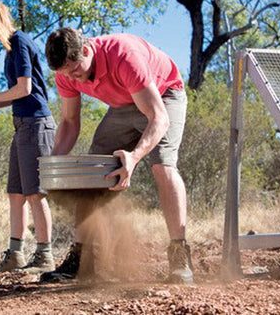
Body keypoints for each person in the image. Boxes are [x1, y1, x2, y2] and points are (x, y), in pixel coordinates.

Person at [40, 27, 193, 284]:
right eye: (66, 74)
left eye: (76, 70)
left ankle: (179, 254)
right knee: (92, 174)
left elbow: (158, 118)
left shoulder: (124, 56)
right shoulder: (66, 72)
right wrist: (54, 164)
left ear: (87, 50)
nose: (73, 79)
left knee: (162, 166)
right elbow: (68, 122)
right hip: (122, 105)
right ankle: (81, 260)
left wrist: (133, 157)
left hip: (164, 96)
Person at [0, 0, 57, 273]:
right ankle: (15, 255)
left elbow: (26, 88)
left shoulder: (19, 43)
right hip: (22, 123)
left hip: (36, 123)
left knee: (35, 193)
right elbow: (18, 94)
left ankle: (44, 255)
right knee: (16, 193)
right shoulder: (11, 48)